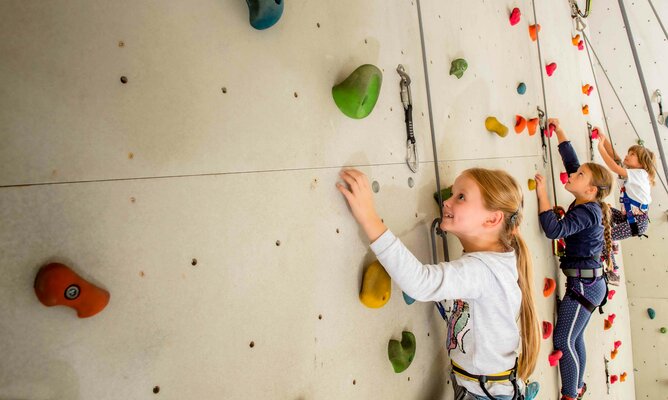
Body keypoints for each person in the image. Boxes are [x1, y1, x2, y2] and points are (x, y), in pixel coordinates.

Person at [337, 167, 540, 400]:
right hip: (483, 388)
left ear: (492, 219)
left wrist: (369, 218)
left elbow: (420, 282)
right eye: (452, 194)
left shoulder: (482, 270)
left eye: (461, 197)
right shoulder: (496, 262)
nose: (447, 201)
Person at [535, 118, 613, 400]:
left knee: (564, 341)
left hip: (585, 287)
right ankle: (577, 387)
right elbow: (572, 163)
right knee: (575, 337)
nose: (573, 175)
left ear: (590, 190)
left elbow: (554, 230)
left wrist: (542, 192)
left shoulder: (587, 212)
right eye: (578, 173)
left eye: (580, 176)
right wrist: (559, 132)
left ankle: (570, 395)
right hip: (588, 284)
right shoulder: (587, 200)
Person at [595, 128, 656, 239]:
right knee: (598, 207)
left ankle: (604, 253)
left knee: (605, 237)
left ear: (642, 162)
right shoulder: (633, 174)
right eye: (628, 153)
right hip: (628, 216)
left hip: (637, 222)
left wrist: (600, 147)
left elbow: (614, 167)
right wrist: (602, 137)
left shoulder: (641, 174)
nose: (627, 155)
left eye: (632, 154)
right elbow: (615, 158)